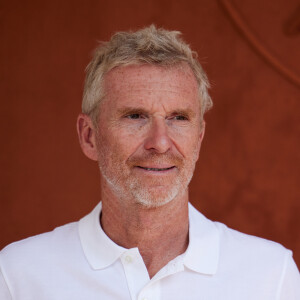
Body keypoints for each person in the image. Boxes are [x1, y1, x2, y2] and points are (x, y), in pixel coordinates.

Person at [0, 25, 299, 300]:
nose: (160, 142)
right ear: (89, 136)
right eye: (135, 116)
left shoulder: (271, 276)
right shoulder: (18, 275)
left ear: (199, 137)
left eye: (178, 118)